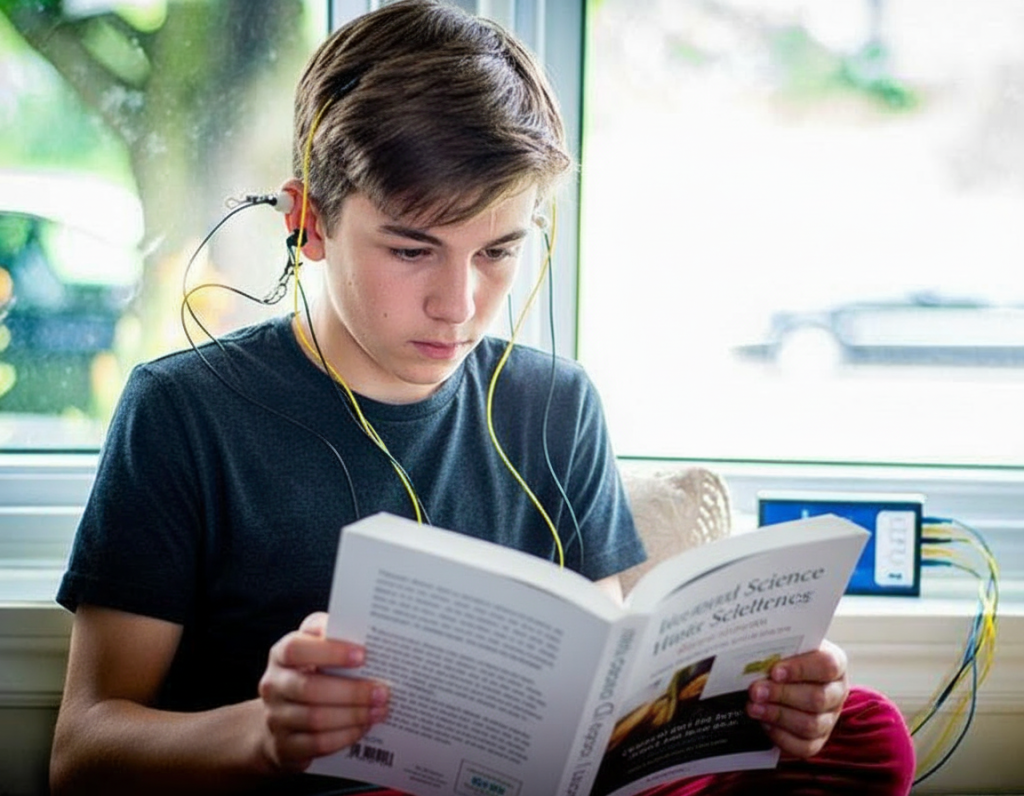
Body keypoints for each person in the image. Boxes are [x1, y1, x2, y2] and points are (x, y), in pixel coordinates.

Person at [48, 2, 915, 795]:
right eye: (412, 250)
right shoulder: (185, 410)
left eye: (498, 251)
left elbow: (606, 690)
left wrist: (757, 704)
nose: (458, 304)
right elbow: (84, 752)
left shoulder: (555, 402)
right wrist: (265, 734)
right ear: (305, 222)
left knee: (866, 733)